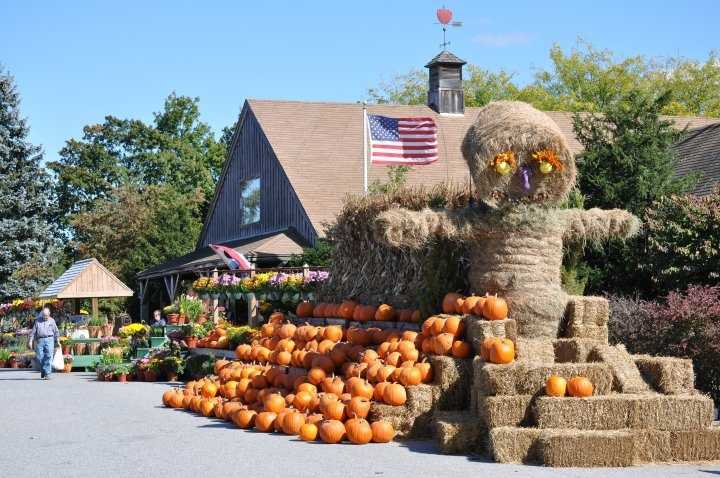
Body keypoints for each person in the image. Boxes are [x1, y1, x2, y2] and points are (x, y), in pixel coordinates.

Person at [28, 307, 60, 380]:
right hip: (40, 340)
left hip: (50, 339)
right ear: (42, 314)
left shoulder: (52, 321)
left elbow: (56, 331)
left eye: (46, 315)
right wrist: (30, 341)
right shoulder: (37, 321)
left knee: (49, 356)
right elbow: (33, 332)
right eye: (44, 315)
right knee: (39, 357)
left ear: (49, 314)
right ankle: (43, 371)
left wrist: (57, 340)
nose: (45, 317)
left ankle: (47, 373)